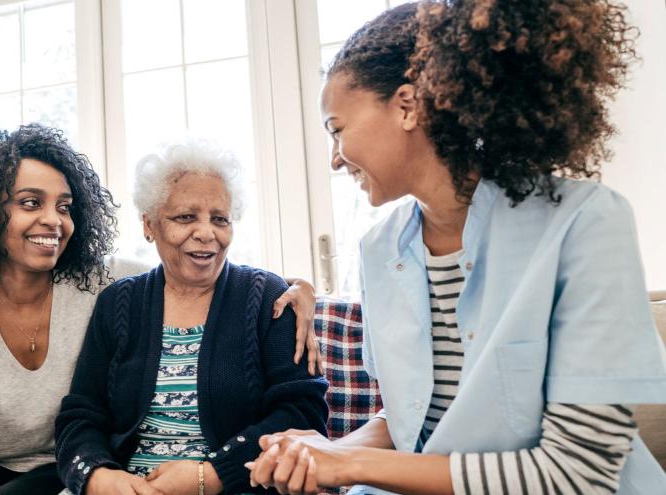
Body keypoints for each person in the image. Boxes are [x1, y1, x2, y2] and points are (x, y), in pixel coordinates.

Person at [247, 2, 666, 495]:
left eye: (337, 130)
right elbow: (412, 418)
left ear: (407, 106)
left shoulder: (585, 223)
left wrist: (352, 464)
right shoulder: (379, 248)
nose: (335, 159)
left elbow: (579, 473)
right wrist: (325, 453)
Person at [0, 125, 318, 495]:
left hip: (58, 465)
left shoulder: (104, 281)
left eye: (63, 206)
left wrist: (300, 287)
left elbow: (192, 268)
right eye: (30, 202)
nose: (52, 221)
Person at [54, 137, 329, 495]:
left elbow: (303, 414)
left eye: (220, 219)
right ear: (149, 225)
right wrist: (97, 477)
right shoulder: (118, 302)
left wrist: (212, 475)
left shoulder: (267, 299)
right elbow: (81, 415)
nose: (206, 233)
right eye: (185, 217)